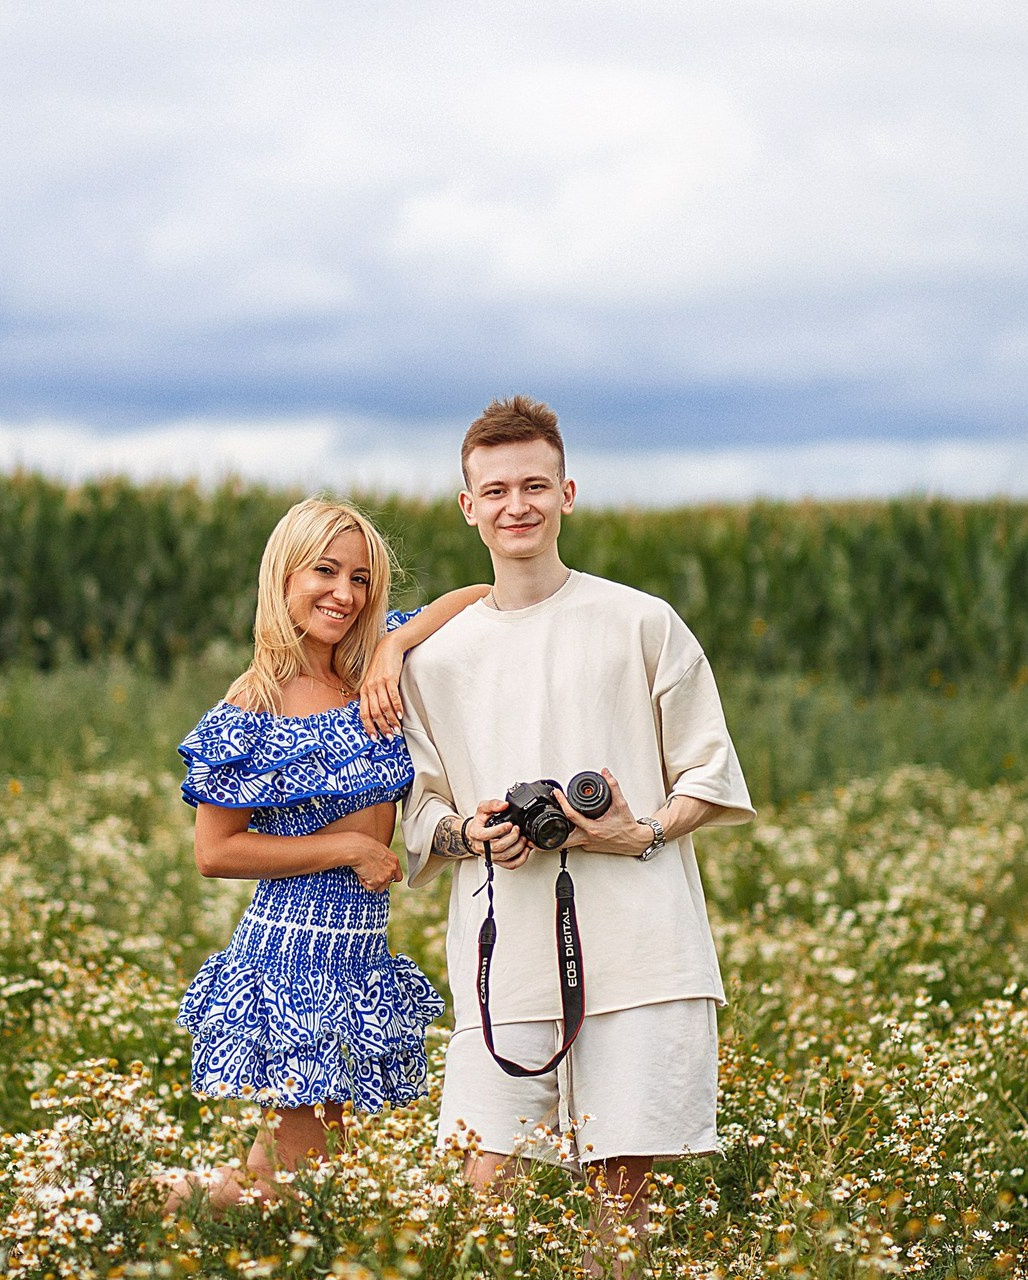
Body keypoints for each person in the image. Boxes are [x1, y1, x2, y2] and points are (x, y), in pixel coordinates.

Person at [399, 396, 755, 1238]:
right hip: (502, 956)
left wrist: (641, 831)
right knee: (486, 1193)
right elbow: (420, 806)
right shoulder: (433, 658)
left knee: (622, 1201)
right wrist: (469, 834)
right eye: (494, 490)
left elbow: (708, 769)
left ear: (567, 493)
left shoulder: (641, 620)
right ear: (467, 506)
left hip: (643, 950)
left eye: (534, 485)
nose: (514, 505)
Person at [164, 497, 488, 1210]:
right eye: (326, 571)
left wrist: (395, 647)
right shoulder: (256, 703)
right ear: (283, 577)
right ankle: (147, 1205)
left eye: (363, 578)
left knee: (310, 1168)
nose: (345, 593)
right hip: (296, 951)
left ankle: (161, 1206)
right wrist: (345, 845)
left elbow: (482, 596)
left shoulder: (373, 664)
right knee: (297, 1176)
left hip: (359, 948)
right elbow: (215, 851)